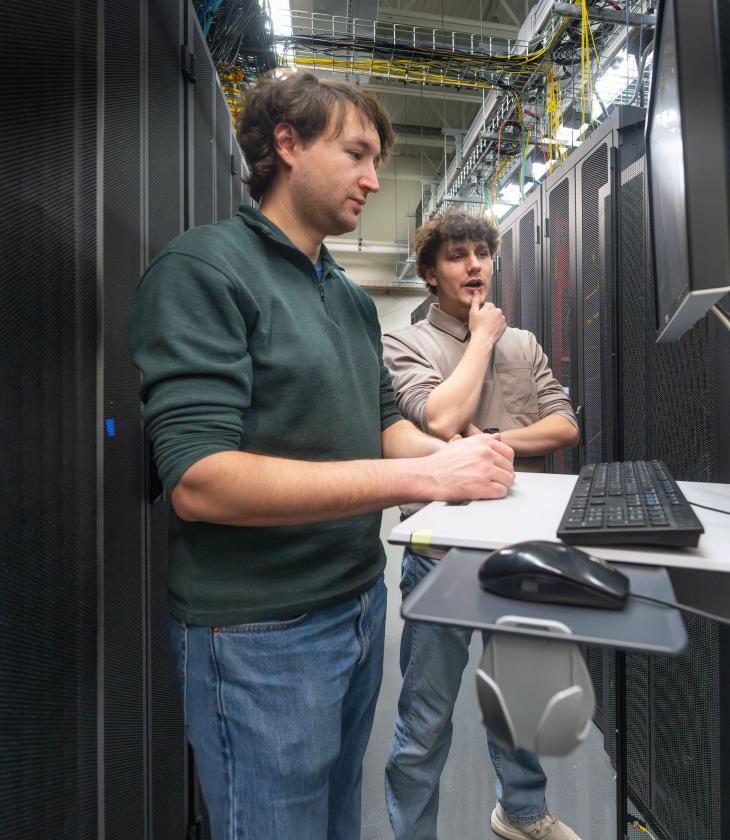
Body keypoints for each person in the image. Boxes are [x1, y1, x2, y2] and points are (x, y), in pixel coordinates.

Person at [128, 71, 516, 840]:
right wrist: (424, 475)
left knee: (338, 823)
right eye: (358, 154)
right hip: (257, 633)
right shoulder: (204, 269)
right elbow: (201, 482)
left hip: (357, 605)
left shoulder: (343, 295)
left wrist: (458, 453)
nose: (375, 180)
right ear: (287, 145)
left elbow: (383, 429)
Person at [382, 210, 581, 840]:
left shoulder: (525, 343)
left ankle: (520, 813)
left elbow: (564, 425)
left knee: (518, 701)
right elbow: (440, 419)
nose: (473, 266)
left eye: (481, 254)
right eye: (456, 256)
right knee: (424, 720)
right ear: (429, 273)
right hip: (440, 556)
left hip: (520, 553)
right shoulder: (406, 343)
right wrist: (483, 339)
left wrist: (491, 441)